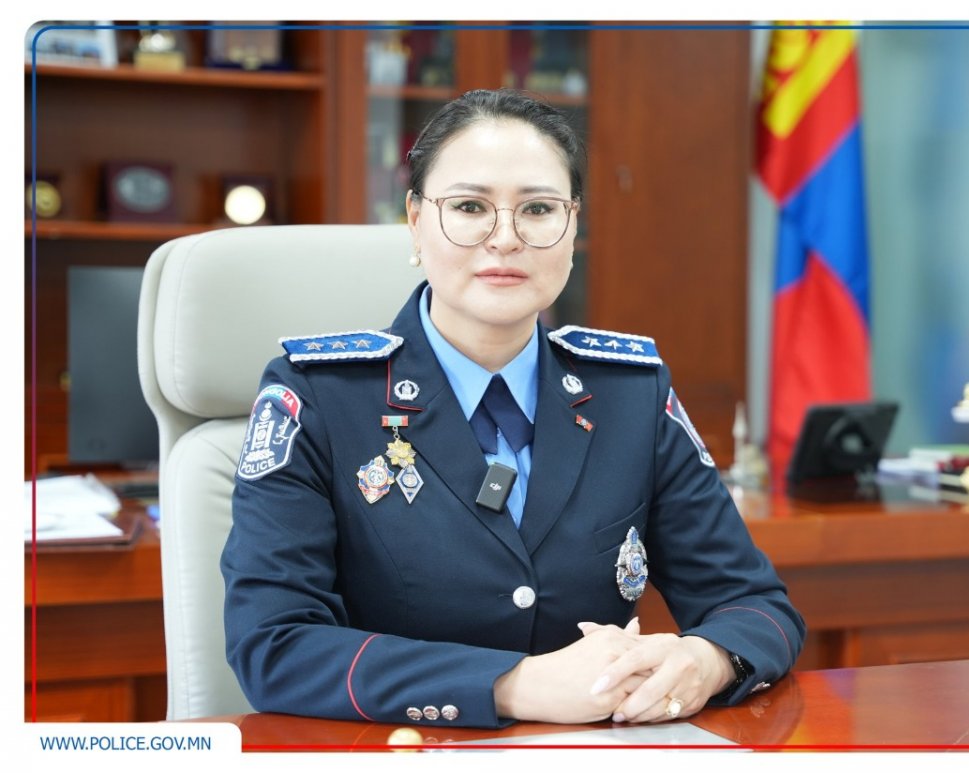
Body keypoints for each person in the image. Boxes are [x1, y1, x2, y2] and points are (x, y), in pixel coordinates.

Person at [221, 89, 804, 729]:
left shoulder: (628, 394)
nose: (505, 239)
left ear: (572, 228)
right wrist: (512, 686)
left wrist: (706, 659)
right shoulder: (318, 397)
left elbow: (754, 603)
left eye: (538, 209)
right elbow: (274, 646)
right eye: (470, 207)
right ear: (415, 222)